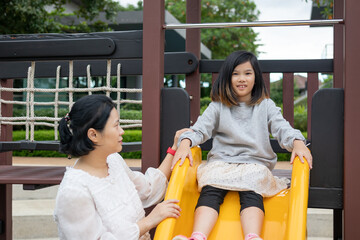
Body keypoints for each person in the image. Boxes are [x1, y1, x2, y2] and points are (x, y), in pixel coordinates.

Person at [171, 51, 313, 240]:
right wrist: (185, 143)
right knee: (210, 189)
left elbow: (282, 128)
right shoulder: (218, 106)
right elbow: (199, 130)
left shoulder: (265, 105)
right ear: (227, 77)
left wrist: (297, 143)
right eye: (235, 73)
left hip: (254, 165)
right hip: (222, 164)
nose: (241, 79)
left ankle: (252, 236)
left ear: (256, 78)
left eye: (248, 73)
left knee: (252, 190)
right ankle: (198, 236)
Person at [54, 94, 190, 240]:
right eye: (116, 125)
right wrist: (150, 221)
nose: (122, 131)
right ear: (93, 135)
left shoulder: (113, 161)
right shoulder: (73, 191)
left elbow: (148, 188)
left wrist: (174, 148)